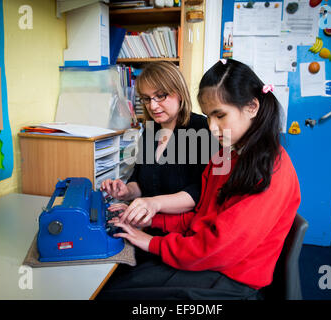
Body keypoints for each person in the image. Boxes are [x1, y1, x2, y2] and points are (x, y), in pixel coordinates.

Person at [96, 59, 301, 300]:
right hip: (207, 256)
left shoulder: (269, 171)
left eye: (220, 115)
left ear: (252, 107)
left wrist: (152, 242)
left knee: (114, 293)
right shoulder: (228, 154)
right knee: (120, 281)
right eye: (208, 117)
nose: (213, 127)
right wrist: (154, 221)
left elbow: (218, 247)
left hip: (231, 277)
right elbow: (204, 215)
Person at [101, 61, 213, 223]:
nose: (152, 106)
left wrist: (153, 203)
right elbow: (140, 182)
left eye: (160, 96)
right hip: (148, 222)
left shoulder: (202, 129)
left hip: (183, 229)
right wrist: (126, 191)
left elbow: (200, 192)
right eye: (146, 99)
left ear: (179, 93)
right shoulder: (150, 130)